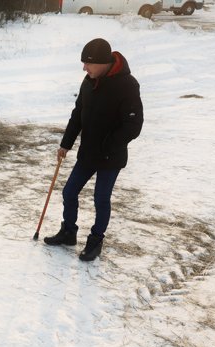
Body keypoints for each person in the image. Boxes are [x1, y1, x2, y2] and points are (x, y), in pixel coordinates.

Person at [44, 38, 143, 262]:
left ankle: (96, 240)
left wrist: (108, 144)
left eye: (87, 64)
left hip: (111, 156)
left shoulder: (127, 85)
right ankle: (69, 232)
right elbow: (78, 114)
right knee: (69, 192)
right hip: (88, 153)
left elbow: (133, 125)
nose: (84, 68)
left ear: (101, 63)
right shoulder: (88, 81)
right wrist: (66, 143)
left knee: (101, 198)